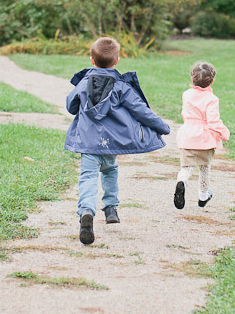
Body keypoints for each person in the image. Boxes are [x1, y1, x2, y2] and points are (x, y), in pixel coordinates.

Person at [64, 37, 170, 245]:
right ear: (117, 60)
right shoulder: (121, 87)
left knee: (87, 176)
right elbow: (141, 111)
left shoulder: (84, 83)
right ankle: (111, 208)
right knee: (110, 170)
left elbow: (70, 106)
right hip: (111, 143)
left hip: (88, 143)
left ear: (92, 61)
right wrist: (162, 127)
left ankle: (86, 210)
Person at [174, 61, 230, 209]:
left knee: (187, 167)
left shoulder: (186, 95)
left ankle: (182, 181)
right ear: (212, 81)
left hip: (188, 136)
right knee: (204, 167)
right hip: (204, 139)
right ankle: (203, 194)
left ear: (192, 78)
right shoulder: (212, 99)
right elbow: (213, 122)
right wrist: (224, 133)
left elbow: (185, 113)